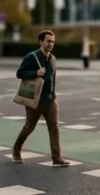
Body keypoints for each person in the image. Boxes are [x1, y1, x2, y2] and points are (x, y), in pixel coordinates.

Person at [12, 30, 69, 166]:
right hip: (35, 99)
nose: (51, 44)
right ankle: (16, 149)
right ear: (41, 42)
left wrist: (53, 95)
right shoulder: (31, 57)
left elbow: (52, 79)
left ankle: (56, 158)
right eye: (48, 41)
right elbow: (19, 73)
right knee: (29, 127)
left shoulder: (53, 59)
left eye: (53, 42)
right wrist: (35, 73)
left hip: (50, 100)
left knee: (54, 128)